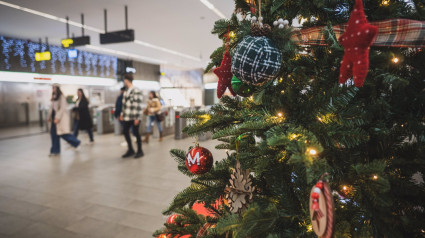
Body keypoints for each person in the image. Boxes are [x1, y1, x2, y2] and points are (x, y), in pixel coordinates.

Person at [48, 84, 81, 156]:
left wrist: (57, 118)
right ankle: (55, 151)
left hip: (60, 119)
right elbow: (51, 109)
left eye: (54, 88)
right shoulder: (53, 98)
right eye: (52, 88)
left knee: (64, 134)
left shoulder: (61, 97)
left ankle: (76, 142)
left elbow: (62, 108)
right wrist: (49, 117)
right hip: (54, 118)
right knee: (54, 135)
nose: (53, 89)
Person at [120, 74, 144, 158]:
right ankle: (130, 149)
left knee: (136, 133)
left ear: (127, 80)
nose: (124, 81)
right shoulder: (127, 90)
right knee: (125, 131)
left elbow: (138, 105)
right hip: (127, 116)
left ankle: (140, 151)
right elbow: (124, 104)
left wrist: (137, 118)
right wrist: (122, 114)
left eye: (124, 80)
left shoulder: (136, 90)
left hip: (134, 116)